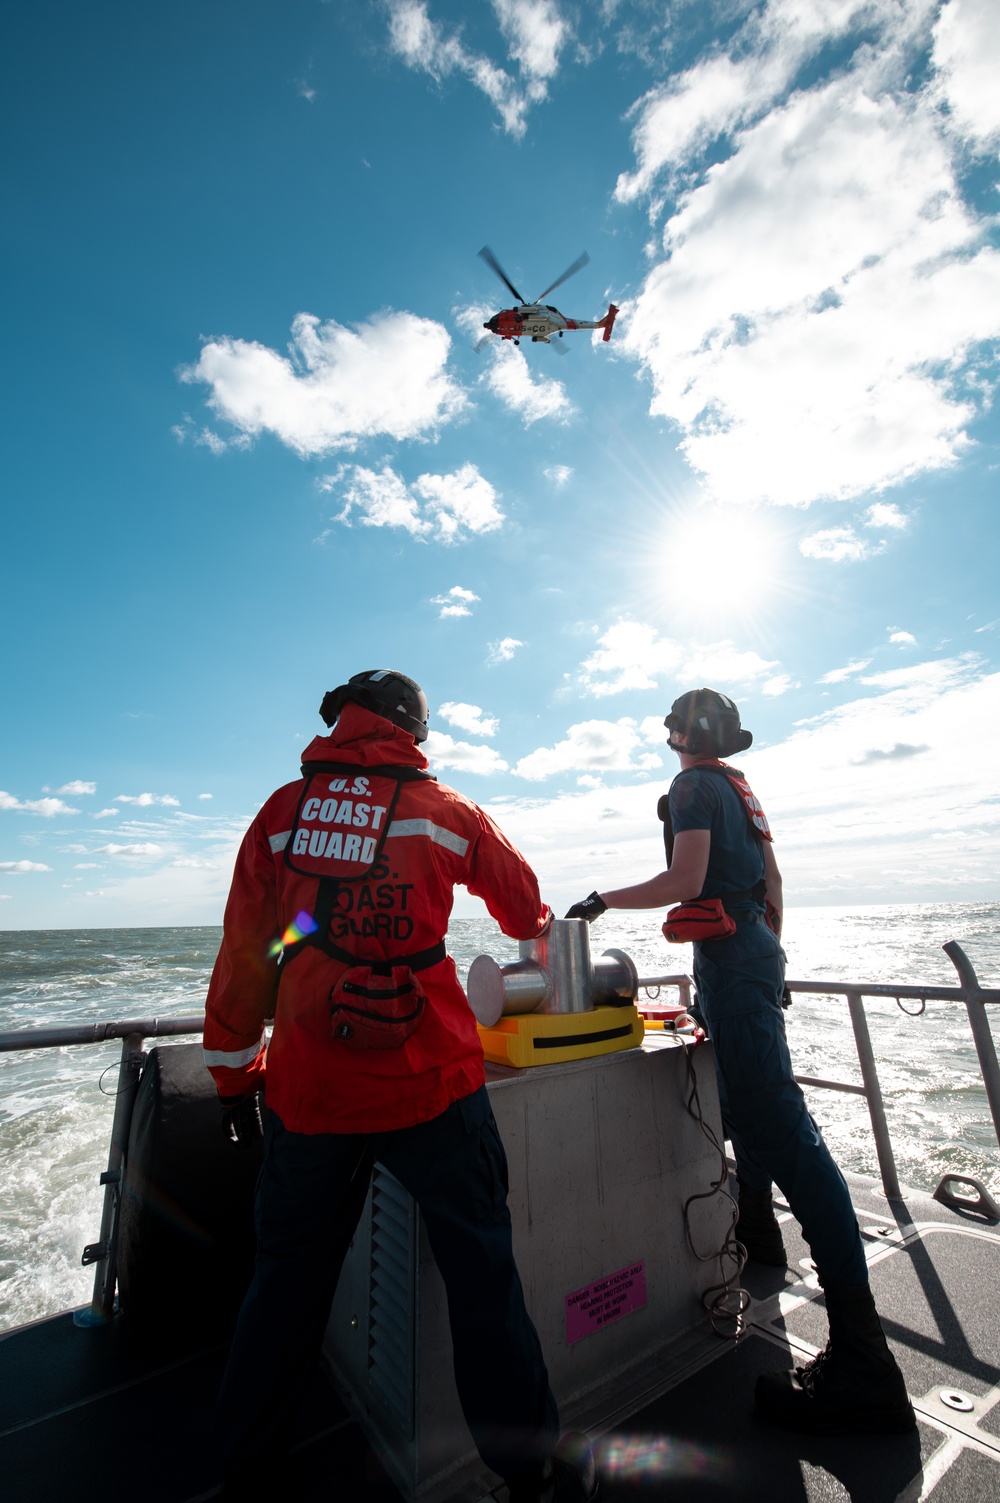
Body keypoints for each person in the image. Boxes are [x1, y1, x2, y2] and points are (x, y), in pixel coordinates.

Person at [204, 670, 597, 1502]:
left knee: (285, 1285)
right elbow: (525, 909)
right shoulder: (445, 809)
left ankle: (246, 1475)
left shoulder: (280, 814)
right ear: (410, 729)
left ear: (342, 722)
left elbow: (248, 954)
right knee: (483, 1280)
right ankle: (532, 1472)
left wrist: (234, 1079)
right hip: (435, 1086)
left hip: (312, 1093)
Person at [565, 688, 914, 1436]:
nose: (671, 737)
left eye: (672, 728)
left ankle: (863, 1359)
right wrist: (767, 957)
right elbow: (773, 885)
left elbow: (685, 884)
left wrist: (599, 900)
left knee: (786, 1135)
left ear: (679, 735)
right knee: (752, 1113)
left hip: (731, 962)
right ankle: (760, 1232)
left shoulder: (694, 785)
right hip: (751, 953)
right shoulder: (740, 786)